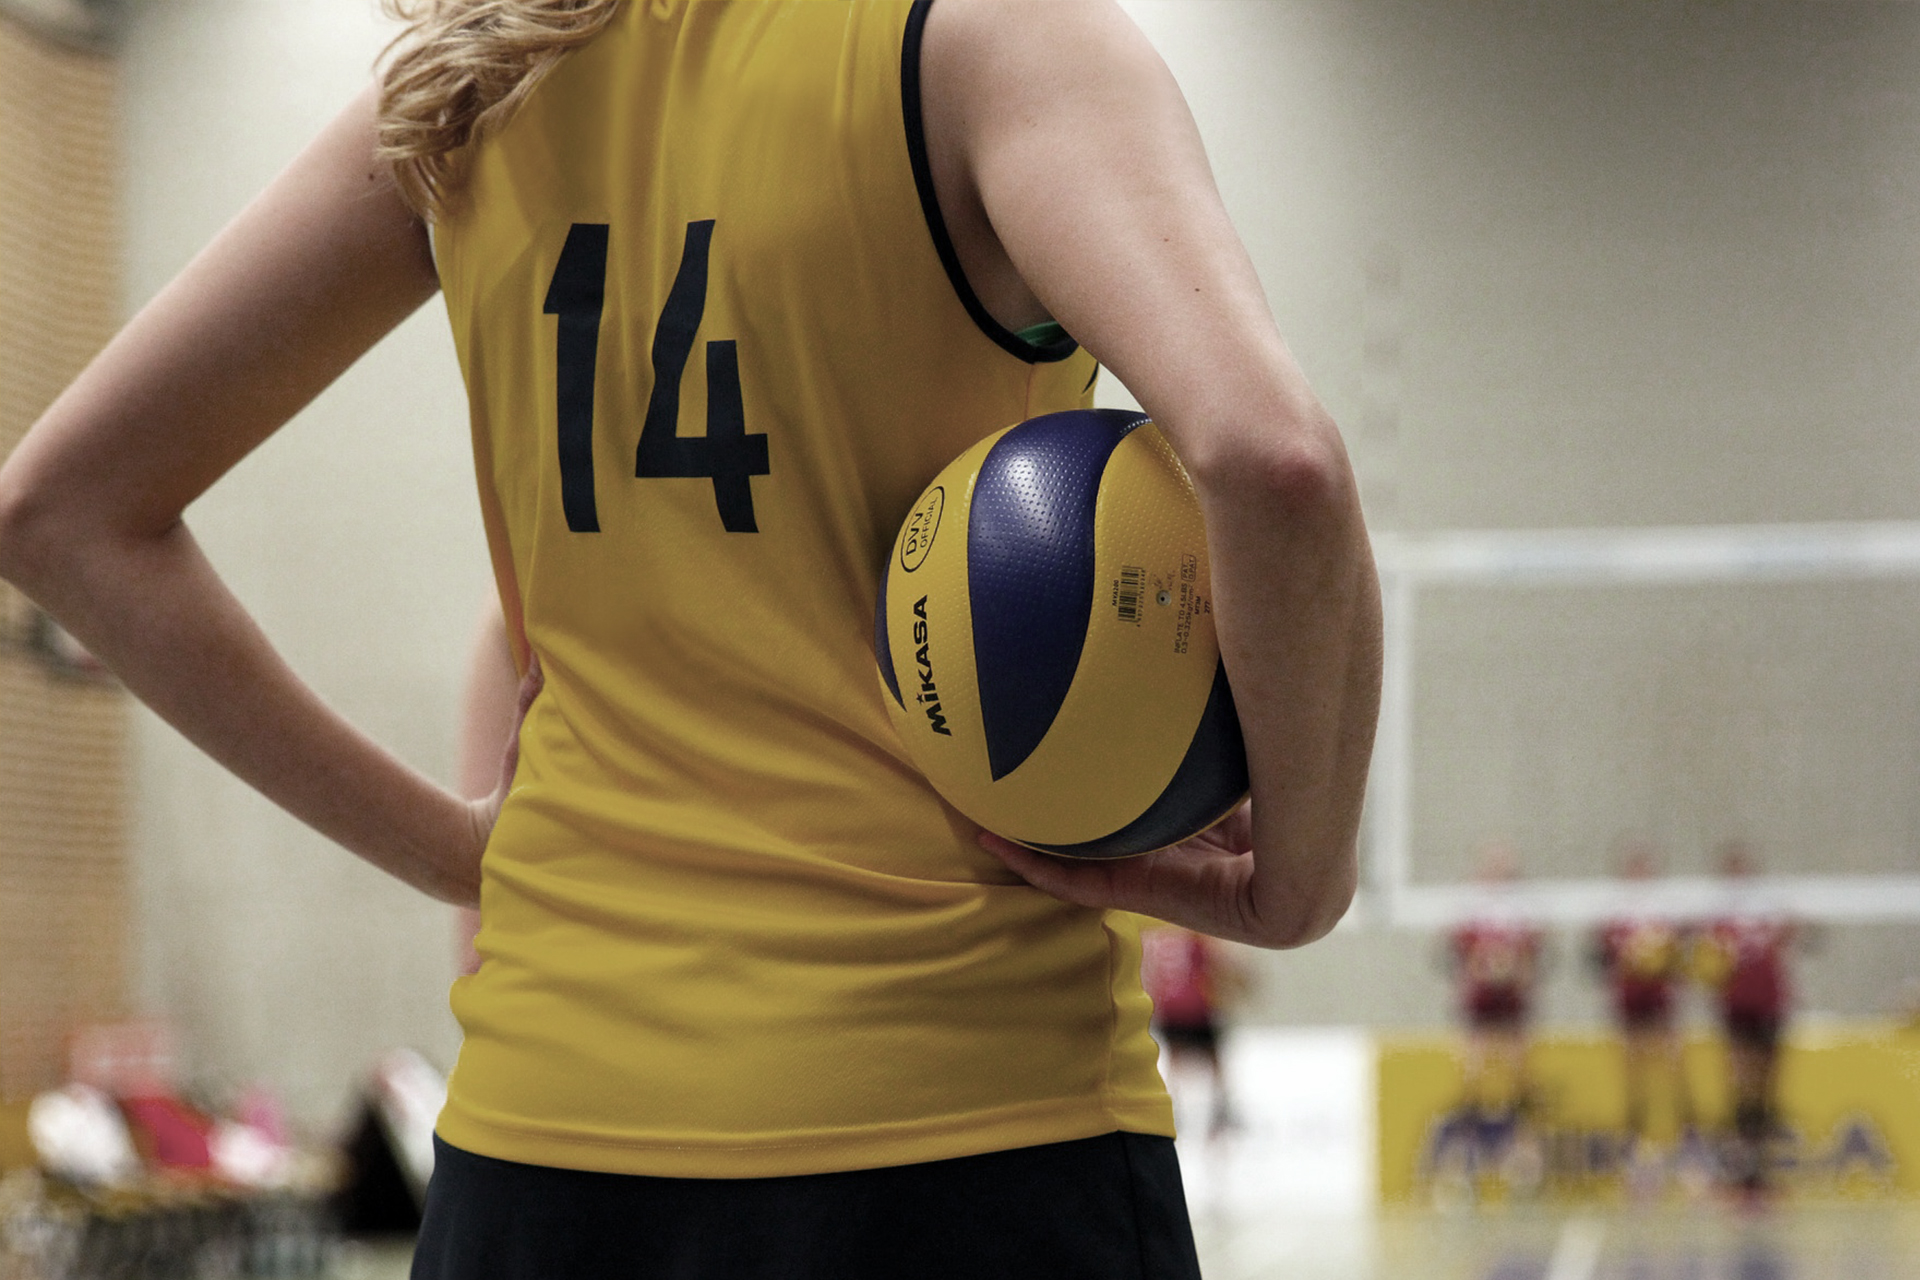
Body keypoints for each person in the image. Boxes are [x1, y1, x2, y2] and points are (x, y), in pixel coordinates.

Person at [0, 1, 1381, 1275]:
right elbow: (1274, 463)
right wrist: (1300, 883)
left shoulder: (470, 86)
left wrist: (461, 849)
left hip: (541, 1153)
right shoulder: (985, 44)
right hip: (964, 1125)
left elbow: (64, 513)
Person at [1691, 839, 1799, 1197]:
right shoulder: (1717, 916)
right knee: (1742, 1086)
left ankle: (1761, 1173)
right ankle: (1739, 1173)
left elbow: (1801, 935)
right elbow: (1705, 964)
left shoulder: (1769, 908)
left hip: (1771, 1006)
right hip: (1736, 1009)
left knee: (1767, 1088)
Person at [1592, 843, 1693, 1172]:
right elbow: (1598, 959)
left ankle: (1683, 1142)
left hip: (1661, 1003)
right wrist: (1628, 960)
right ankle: (1635, 1146)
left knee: (1673, 1069)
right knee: (1633, 1074)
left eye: (1645, 869)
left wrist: (1663, 959)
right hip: (1628, 1003)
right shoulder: (1613, 913)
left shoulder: (1667, 911)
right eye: (1634, 869)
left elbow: (1685, 955)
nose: (1640, 875)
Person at [1444, 845, 1546, 1130]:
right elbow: (1457, 954)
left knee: (1519, 1069)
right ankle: (1468, 1135)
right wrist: (1482, 969)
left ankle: (1522, 1138)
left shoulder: (1524, 908)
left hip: (1512, 999)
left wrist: (1515, 971)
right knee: (1474, 1067)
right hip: (1480, 998)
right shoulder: (1470, 906)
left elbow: (1533, 956)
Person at [1140, 924, 1247, 1137]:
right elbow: (1221, 962)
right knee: (1214, 1058)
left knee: (1175, 1057)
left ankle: (1173, 1108)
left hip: (1170, 1006)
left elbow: (1149, 971)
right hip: (1199, 1005)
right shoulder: (1198, 932)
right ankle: (1221, 1109)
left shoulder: (1157, 935)